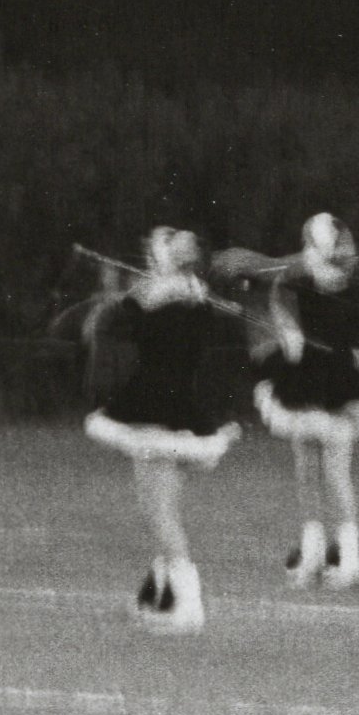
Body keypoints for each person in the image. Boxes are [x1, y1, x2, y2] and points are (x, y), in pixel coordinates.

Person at [83, 227, 251, 632]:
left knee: (159, 512)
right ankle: (158, 594)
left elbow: (106, 323)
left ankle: (188, 605)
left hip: (154, 407)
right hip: (181, 407)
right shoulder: (193, 297)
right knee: (159, 508)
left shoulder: (157, 297)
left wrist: (112, 289)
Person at [241, 212, 359, 589]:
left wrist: (284, 327)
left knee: (320, 471)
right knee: (321, 470)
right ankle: (322, 555)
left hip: (322, 385)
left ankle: (337, 558)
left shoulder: (311, 282)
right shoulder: (326, 282)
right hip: (319, 382)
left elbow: (294, 336)